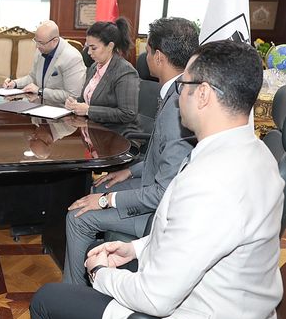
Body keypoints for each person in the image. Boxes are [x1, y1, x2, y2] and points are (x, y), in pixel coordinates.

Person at [30, 40, 284, 319]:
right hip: (229, 306)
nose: (178, 95)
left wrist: (99, 274)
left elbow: (154, 298)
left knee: (47, 301)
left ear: (202, 94)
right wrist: (135, 249)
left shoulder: (212, 184)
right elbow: (191, 237)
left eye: (183, 85)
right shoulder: (258, 154)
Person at [63, 17, 199, 285]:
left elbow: (163, 192)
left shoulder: (179, 105)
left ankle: (73, 295)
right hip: (152, 183)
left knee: (77, 217)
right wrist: (129, 171)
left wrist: (106, 201)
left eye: (146, 50)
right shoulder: (179, 91)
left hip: (159, 214)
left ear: (158, 56)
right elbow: (163, 158)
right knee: (99, 187)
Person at [65, 18, 139, 137]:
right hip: (92, 131)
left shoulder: (125, 71)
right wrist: (75, 103)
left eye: (93, 48)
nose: (89, 52)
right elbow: (88, 99)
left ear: (110, 46)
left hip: (113, 136)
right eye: (87, 47)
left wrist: (88, 110)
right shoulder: (94, 66)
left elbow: (128, 114)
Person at [3, 20, 85, 106]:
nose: (37, 46)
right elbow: (33, 77)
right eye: (36, 41)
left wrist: (41, 91)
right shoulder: (41, 49)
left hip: (61, 110)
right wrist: (15, 84)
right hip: (37, 107)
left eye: (41, 43)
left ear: (55, 41)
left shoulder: (72, 58)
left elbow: (72, 96)